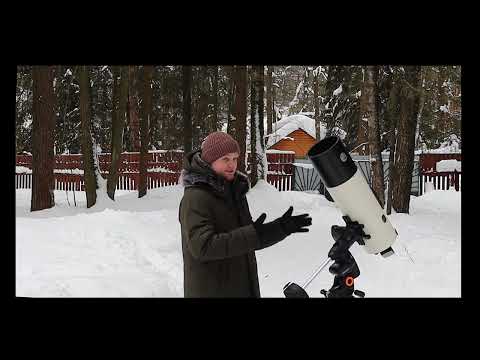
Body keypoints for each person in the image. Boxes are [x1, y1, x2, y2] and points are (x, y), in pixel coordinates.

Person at [178, 131, 312, 298]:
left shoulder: (233, 192)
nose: (232, 165)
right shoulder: (196, 197)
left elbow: (246, 239)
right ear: (209, 161)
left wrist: (280, 228)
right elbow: (203, 247)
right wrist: (253, 234)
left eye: (234, 158)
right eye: (225, 159)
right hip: (213, 289)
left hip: (241, 286)